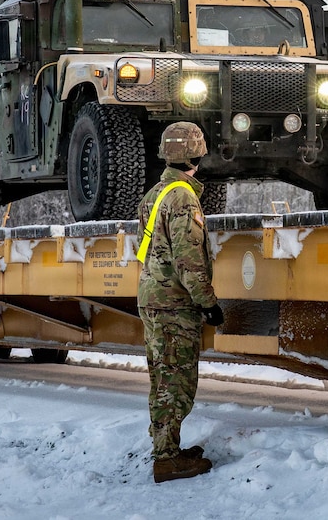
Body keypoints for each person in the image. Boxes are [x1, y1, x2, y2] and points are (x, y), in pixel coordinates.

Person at [135, 121, 222, 483]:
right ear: (197, 154)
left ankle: (166, 448)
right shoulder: (184, 197)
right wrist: (208, 302)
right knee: (176, 384)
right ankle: (167, 459)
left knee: (162, 379)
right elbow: (188, 259)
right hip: (174, 304)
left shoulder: (155, 193)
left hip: (154, 299)